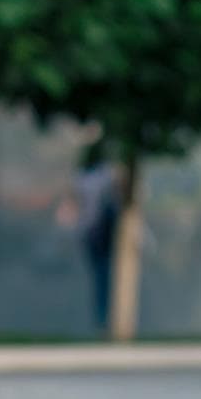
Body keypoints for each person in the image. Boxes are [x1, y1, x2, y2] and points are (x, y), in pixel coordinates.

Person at [73, 141, 120, 331]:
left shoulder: (81, 177)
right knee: (104, 277)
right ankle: (105, 319)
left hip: (89, 232)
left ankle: (103, 319)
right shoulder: (106, 174)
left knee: (100, 277)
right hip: (103, 232)